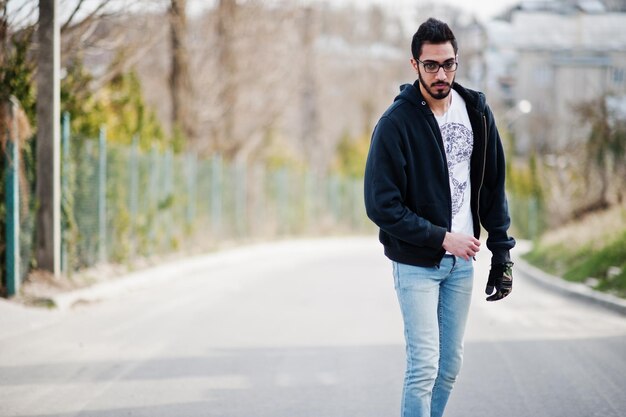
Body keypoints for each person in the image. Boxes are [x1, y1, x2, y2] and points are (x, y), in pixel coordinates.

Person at [364, 17, 516, 417]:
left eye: (448, 64)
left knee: (449, 369)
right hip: (416, 263)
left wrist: (502, 254)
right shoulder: (396, 125)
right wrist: (441, 238)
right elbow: (381, 205)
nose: (440, 73)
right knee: (424, 367)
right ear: (414, 65)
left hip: (461, 267)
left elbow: (492, 187)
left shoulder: (478, 112)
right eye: (430, 65)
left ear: (457, 62)